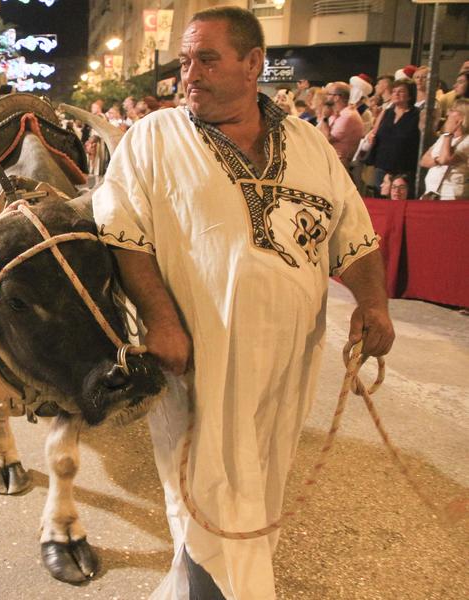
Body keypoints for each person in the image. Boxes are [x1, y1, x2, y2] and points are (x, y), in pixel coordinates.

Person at [92, 7, 394, 598]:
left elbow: (352, 237)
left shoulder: (309, 144)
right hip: (200, 359)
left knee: (257, 489)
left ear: (254, 63)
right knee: (210, 495)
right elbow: (123, 234)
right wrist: (159, 320)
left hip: (288, 365)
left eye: (206, 59)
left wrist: (374, 305)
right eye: (185, 60)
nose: (190, 74)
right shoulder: (154, 138)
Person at [365, 78, 420, 192]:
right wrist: (371, 138)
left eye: (401, 91)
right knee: (380, 200)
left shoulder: (417, 115)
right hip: (382, 164)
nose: (396, 94)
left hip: (403, 167)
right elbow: (374, 132)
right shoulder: (387, 112)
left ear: (410, 95)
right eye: (394, 91)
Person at [420, 99, 469, 200]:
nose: (448, 113)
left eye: (452, 110)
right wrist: (437, 160)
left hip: (450, 196)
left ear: (462, 117)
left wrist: (448, 133)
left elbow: (445, 159)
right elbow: (423, 160)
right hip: (430, 192)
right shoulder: (442, 138)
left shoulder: (466, 141)